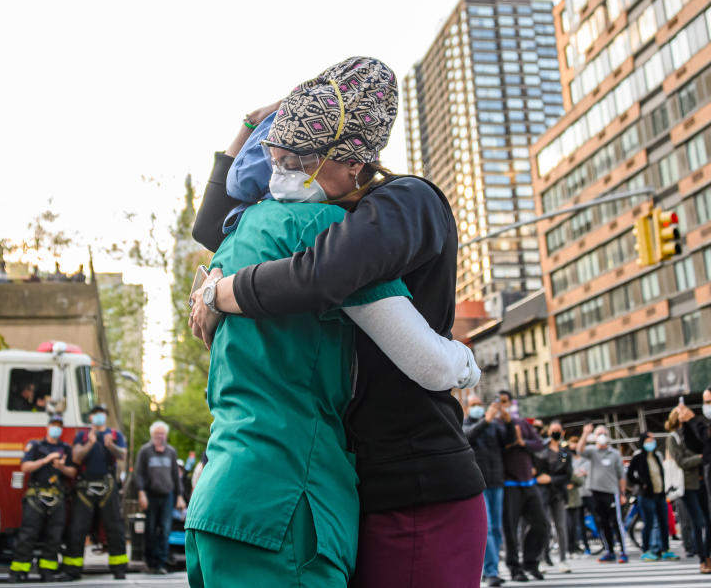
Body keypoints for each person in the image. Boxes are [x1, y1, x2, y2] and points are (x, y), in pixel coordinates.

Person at [189, 60, 488, 587]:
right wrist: (249, 122)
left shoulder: (394, 206)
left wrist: (220, 290)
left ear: (353, 163)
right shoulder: (301, 219)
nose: (281, 176)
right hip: (338, 486)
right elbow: (213, 225)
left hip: (413, 479)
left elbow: (326, 273)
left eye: (298, 160)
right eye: (274, 158)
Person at [8, 416, 76, 583]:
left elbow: (73, 472)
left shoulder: (65, 449)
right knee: (28, 533)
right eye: (53, 425)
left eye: (59, 426)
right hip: (36, 496)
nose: (56, 428)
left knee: (54, 535)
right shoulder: (36, 446)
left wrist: (61, 467)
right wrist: (45, 460)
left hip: (56, 495)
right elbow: (25, 467)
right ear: (47, 427)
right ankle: (19, 570)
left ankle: (47, 571)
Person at [66, 405, 128, 580]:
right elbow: (76, 457)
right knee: (78, 528)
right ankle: (73, 569)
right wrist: (90, 443)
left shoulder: (115, 435)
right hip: (85, 488)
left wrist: (110, 445)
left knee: (115, 528)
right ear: (91, 417)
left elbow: (123, 455)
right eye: (95, 414)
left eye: (102, 414)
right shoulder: (83, 436)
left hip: (108, 487)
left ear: (105, 417)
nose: (99, 417)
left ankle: (119, 569)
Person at [498, 391, 549, 582]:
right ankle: (514, 567)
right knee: (510, 528)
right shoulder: (496, 425)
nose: (503, 405)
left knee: (541, 524)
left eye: (506, 402)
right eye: (500, 402)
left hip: (529, 482)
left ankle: (531, 562)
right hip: (509, 484)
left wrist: (522, 442)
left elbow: (538, 444)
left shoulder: (523, 424)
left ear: (512, 403)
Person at [463, 395, 509, 587]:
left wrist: (506, 418)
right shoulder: (464, 423)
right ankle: (490, 571)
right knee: (487, 528)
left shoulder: (494, 424)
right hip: (479, 483)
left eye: (479, 404)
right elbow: (467, 437)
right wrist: (486, 420)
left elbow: (509, 441)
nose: (477, 408)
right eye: (473, 405)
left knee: (497, 529)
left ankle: (492, 569)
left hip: (497, 481)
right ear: (467, 408)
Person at [134, 421, 186, 575]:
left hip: (167, 496)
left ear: (166, 435)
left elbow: (176, 476)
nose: (159, 436)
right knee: (150, 529)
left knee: (165, 529)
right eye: (157, 434)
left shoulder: (171, 452)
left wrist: (179, 496)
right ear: (152, 435)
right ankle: (150, 562)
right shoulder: (145, 451)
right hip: (150, 495)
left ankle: (161, 563)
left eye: (162, 434)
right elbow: (139, 474)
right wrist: (141, 493)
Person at [668, 407, 711, 573]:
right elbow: (681, 461)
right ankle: (702, 558)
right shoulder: (674, 437)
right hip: (687, 485)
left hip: (703, 482)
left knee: (708, 521)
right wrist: (700, 458)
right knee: (697, 522)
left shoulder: (696, 430)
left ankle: (707, 555)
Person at [576, 423, 628, 563]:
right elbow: (579, 450)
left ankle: (623, 551)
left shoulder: (614, 454)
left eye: (604, 433)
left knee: (616, 523)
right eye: (599, 434)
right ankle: (609, 550)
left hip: (612, 492)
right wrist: (585, 433)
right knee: (601, 523)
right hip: (594, 493)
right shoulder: (591, 451)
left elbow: (621, 475)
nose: (602, 436)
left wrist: (622, 493)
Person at [627, 431, 678, 561]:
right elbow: (630, 475)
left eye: (653, 440)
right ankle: (646, 550)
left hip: (660, 494)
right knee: (649, 523)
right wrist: (641, 484)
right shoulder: (638, 457)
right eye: (649, 440)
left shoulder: (657, 455)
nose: (652, 442)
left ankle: (665, 549)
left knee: (663, 523)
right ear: (643, 441)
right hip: (646, 495)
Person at [535, 420, 573, 573]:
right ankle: (542, 559)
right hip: (543, 493)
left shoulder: (565, 452)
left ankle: (563, 560)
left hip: (558, 493)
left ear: (562, 432)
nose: (555, 432)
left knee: (561, 527)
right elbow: (537, 471)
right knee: (544, 526)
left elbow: (567, 475)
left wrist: (551, 479)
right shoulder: (541, 449)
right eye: (553, 430)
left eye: (558, 430)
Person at [564, 437, 588, 557]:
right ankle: (569, 548)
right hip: (563, 501)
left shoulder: (571, 466)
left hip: (574, 500)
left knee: (575, 525)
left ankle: (574, 547)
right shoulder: (563, 465)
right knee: (568, 526)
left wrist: (572, 479)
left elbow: (579, 480)